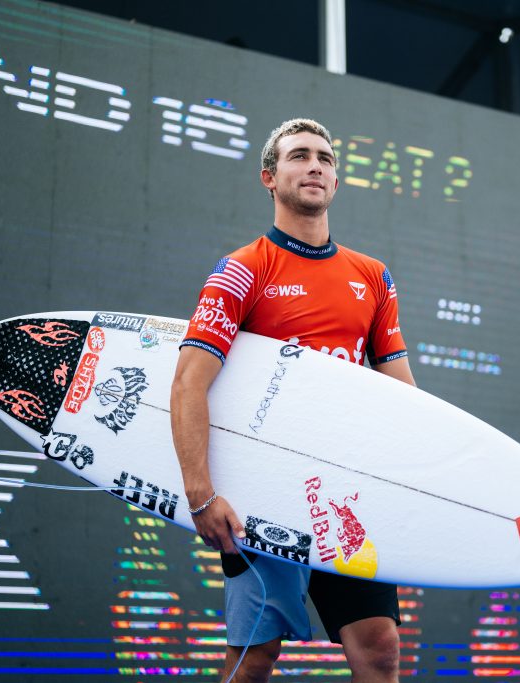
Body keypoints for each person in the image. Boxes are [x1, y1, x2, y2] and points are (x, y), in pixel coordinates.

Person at [171, 118, 415, 683]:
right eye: (299, 155)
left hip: (345, 492)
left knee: (380, 648)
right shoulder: (242, 269)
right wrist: (201, 494)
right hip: (265, 490)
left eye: (326, 158)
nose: (316, 166)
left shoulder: (373, 277)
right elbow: (188, 383)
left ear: (336, 181)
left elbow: (402, 396)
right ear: (269, 177)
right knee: (257, 656)